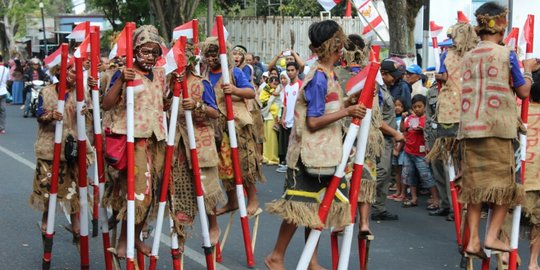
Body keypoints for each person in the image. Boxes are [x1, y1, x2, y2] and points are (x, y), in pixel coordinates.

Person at [265, 20, 366, 269]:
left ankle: (311, 260)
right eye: (340, 43)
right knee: (297, 208)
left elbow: (331, 105)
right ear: (334, 45)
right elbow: (313, 121)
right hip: (306, 155)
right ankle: (276, 256)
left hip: (325, 153)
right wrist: (348, 111)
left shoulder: (327, 73)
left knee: (316, 208)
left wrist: (349, 101)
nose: (343, 48)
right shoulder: (318, 77)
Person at [458, 2, 537, 258]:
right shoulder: (507, 54)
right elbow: (523, 90)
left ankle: (473, 240)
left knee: (474, 189)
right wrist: (528, 71)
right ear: (502, 26)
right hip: (498, 129)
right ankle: (492, 236)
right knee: (504, 188)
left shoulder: (468, 55)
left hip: (470, 129)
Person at [101, 25, 167, 258]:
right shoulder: (124, 72)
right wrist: (121, 82)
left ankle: (136, 236)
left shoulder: (160, 74)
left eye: (154, 52)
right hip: (131, 141)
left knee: (151, 194)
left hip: (156, 139)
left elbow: (163, 102)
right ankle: (124, 240)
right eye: (145, 51)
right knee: (137, 193)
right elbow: (106, 103)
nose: (149, 57)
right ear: (135, 50)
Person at [28, 59, 93, 246]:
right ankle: (47, 225)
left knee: (73, 194)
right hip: (49, 150)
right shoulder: (46, 91)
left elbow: (87, 119)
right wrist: (50, 116)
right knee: (49, 193)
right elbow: (39, 116)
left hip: (72, 150)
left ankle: (77, 227)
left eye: (76, 72)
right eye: (71, 72)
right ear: (60, 72)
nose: (74, 76)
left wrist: (85, 110)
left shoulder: (81, 94)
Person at [168, 42, 225, 247]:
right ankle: (179, 234)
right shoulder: (168, 83)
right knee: (178, 189)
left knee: (206, 186)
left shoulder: (202, 84)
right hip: (176, 144)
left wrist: (197, 105)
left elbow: (215, 112)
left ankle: (213, 225)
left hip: (200, 141)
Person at [200, 37, 264, 217]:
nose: (211, 58)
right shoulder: (203, 74)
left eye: (215, 54)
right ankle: (233, 201)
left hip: (235, 124)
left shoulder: (233, 72)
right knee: (224, 165)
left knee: (243, 161)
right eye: (208, 54)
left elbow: (250, 92)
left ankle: (252, 198)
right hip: (215, 126)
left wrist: (235, 90)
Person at [399, 95, 440, 209]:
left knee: (426, 175)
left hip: (421, 153)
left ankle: (436, 199)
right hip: (408, 151)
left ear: (425, 107)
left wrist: (423, 130)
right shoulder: (410, 119)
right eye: (415, 107)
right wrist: (403, 119)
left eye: (419, 106)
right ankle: (413, 198)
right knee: (409, 175)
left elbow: (432, 134)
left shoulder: (427, 119)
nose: (417, 109)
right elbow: (403, 130)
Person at [524, 71, 540, 270]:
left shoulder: (521, 111)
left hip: (521, 176)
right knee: (538, 222)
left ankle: (504, 258)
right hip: (536, 178)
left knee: (508, 216)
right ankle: (533, 262)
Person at [276, 62, 302, 173]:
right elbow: (285, 104)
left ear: (297, 71)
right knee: (287, 143)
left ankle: (295, 165)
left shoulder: (300, 85)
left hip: (296, 120)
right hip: (287, 120)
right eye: (288, 70)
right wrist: (283, 118)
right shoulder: (286, 87)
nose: (290, 73)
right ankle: (287, 164)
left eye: (292, 70)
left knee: (296, 144)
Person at [260, 76, 281, 165]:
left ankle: (273, 158)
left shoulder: (277, 90)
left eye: (276, 84)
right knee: (266, 138)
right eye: (273, 84)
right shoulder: (267, 89)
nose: (275, 86)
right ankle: (266, 156)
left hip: (273, 116)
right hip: (267, 116)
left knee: (272, 139)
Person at [0, 55, 9, 134]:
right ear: (2, 60)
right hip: (3, 92)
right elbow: (8, 79)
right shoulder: (6, 69)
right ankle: (2, 128)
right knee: (3, 110)